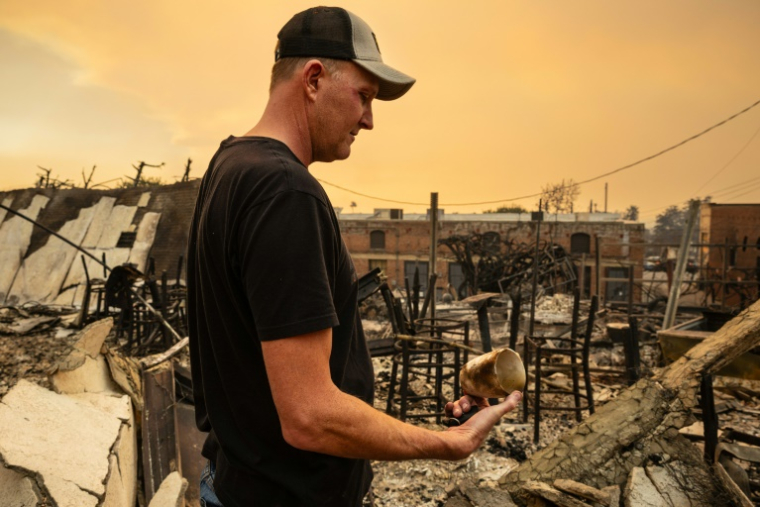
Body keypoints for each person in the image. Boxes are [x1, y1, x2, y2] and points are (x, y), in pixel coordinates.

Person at [187, 7, 522, 507]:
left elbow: (265, 370)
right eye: (363, 96)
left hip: (238, 482)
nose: (369, 119)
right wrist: (447, 444)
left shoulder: (231, 165)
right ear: (315, 79)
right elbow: (310, 416)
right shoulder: (285, 192)